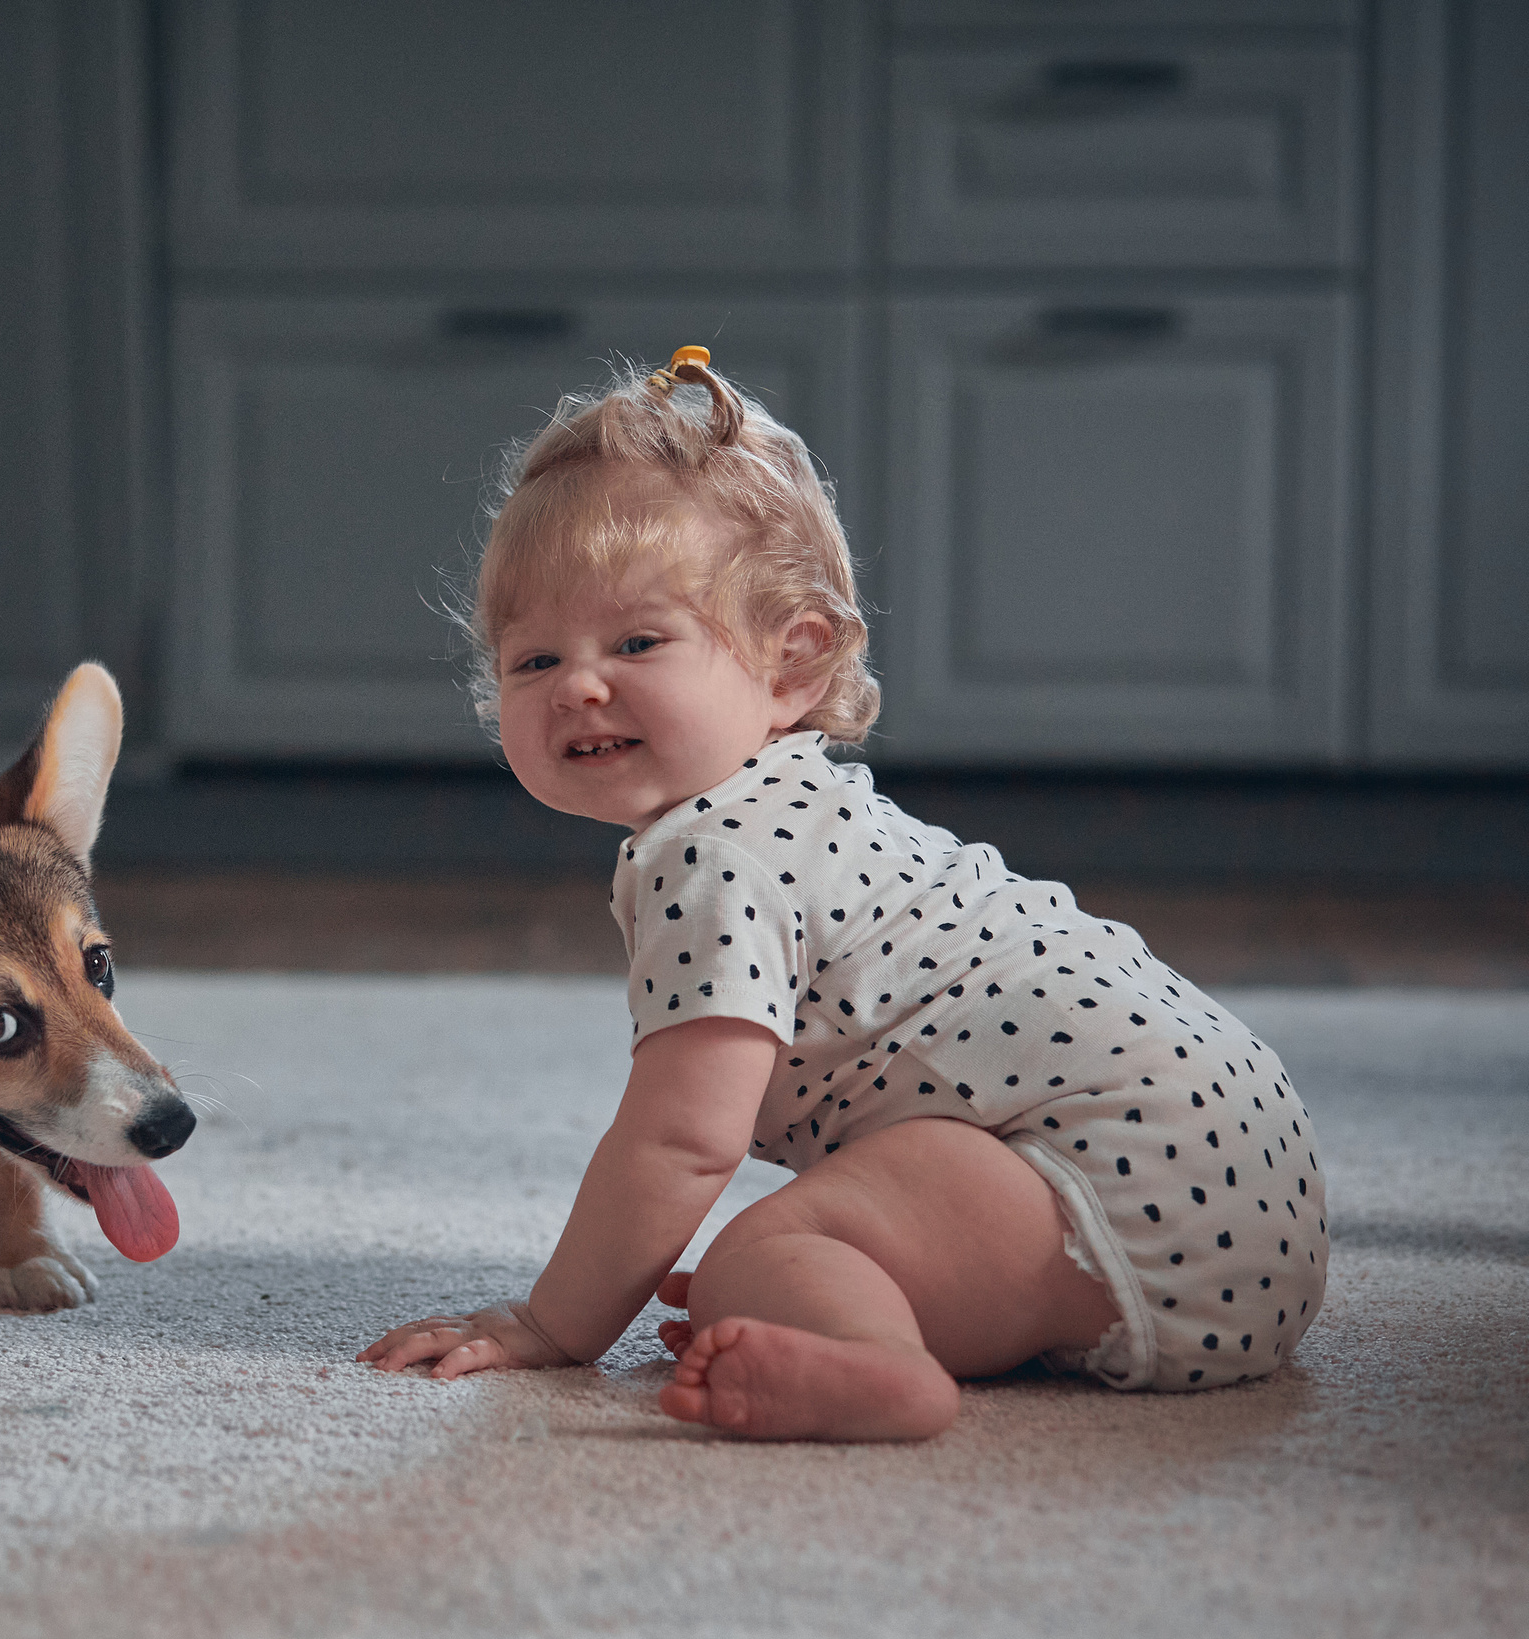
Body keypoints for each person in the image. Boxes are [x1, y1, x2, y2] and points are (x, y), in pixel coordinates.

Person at [359, 347, 1329, 1440]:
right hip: (1234, 1206)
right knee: (790, 1259)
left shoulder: (713, 855)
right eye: (531, 661)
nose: (579, 684)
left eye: (637, 641)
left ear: (793, 666)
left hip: (1126, 1197)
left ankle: (881, 1368)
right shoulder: (797, 810)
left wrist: (551, 1323)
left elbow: (682, 1141)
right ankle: (865, 1308)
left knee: (756, 1256)